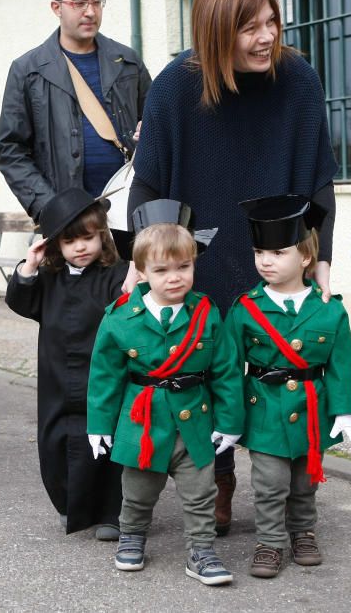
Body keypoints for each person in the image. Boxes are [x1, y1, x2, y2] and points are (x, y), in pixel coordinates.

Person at [127, 0, 342, 534]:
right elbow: (148, 185)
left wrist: (321, 257)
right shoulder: (176, 84)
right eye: (250, 27)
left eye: (272, 21)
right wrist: (147, 262)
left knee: (286, 366)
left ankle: (293, 492)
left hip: (280, 250)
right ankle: (218, 483)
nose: (267, 36)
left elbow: (320, 180)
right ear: (217, 31)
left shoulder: (298, 79)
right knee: (205, 373)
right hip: (203, 250)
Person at [87, 201, 244, 586]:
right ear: (140, 272)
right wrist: (99, 425)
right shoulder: (120, 317)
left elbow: (225, 371)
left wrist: (230, 422)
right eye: (161, 270)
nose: (174, 277)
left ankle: (201, 552)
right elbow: (104, 376)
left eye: (183, 267)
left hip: (195, 421)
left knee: (201, 492)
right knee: (138, 491)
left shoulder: (206, 313)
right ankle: (132, 535)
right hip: (142, 422)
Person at [223, 195, 351, 578]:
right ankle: (269, 542)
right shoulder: (244, 308)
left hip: (312, 412)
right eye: (259, 252)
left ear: (304, 258)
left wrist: (344, 412)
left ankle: (303, 531)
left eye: (277, 252)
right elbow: (230, 368)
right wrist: (230, 421)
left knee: (304, 481)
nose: (265, 261)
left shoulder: (330, 309)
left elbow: (339, 365)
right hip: (263, 408)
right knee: (269, 482)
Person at [5, 187, 128, 540]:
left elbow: (125, 307)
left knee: (108, 445)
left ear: (101, 236)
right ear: (55, 245)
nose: (80, 248)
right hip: (57, 378)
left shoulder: (113, 275)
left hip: (102, 379)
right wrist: (29, 265)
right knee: (56, 442)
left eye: (88, 238)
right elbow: (20, 301)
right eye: (70, 241)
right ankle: (69, 504)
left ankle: (110, 513)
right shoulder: (49, 279)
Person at [0, 0, 151, 217]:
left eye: (97, 2)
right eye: (79, 3)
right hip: (69, 223)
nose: (90, 12)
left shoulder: (128, 62)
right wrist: (52, 208)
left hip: (130, 211)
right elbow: (11, 151)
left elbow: (156, 126)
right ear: (56, 7)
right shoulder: (28, 71)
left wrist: (148, 133)